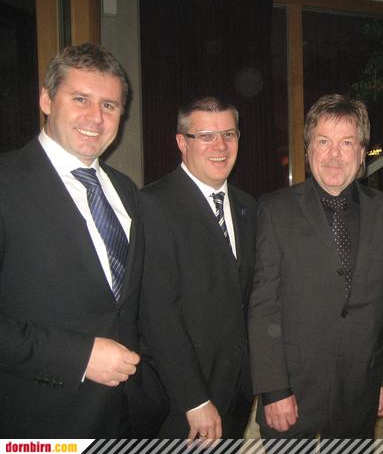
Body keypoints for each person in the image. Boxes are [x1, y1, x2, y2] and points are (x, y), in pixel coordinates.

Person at [0, 43, 165, 437]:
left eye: (109, 105)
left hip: (130, 418)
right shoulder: (6, 183)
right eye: (80, 99)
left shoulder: (125, 190)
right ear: (46, 100)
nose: (96, 117)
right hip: (41, 425)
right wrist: (78, 356)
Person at [248, 94, 383, 439]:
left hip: (360, 388)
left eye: (346, 143)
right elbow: (263, 305)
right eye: (323, 142)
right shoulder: (275, 210)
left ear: (362, 153)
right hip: (293, 390)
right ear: (308, 150)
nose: (334, 155)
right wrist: (273, 388)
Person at [140, 96, 256, 442]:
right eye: (206, 136)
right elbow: (158, 315)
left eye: (229, 134)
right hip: (185, 402)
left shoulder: (248, 207)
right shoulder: (152, 206)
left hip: (238, 391)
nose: (220, 146)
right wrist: (194, 399)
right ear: (182, 142)